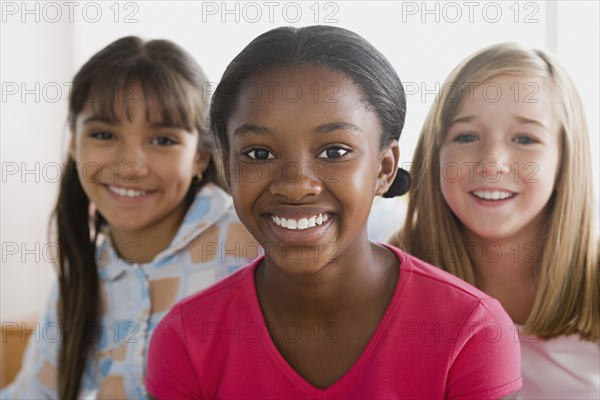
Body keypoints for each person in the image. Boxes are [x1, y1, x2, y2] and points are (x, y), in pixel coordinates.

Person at [146, 26, 522, 399]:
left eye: (334, 152)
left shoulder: (471, 332)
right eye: (259, 154)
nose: (295, 185)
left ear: (384, 168)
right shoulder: (187, 338)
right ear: (228, 166)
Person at [1, 36, 259, 399]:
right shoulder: (79, 282)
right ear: (74, 143)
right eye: (104, 134)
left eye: (163, 140)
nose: (130, 166)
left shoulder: (250, 246)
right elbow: (34, 392)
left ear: (201, 156)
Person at [389, 43, 600, 398]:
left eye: (525, 138)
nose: (491, 162)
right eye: (467, 136)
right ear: (436, 154)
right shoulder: (385, 284)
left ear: (566, 159)